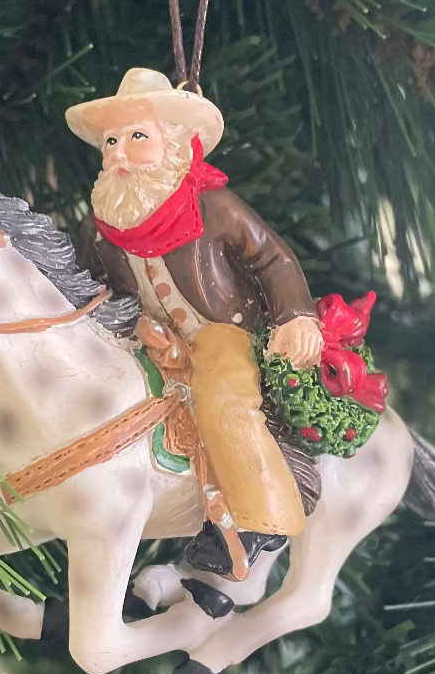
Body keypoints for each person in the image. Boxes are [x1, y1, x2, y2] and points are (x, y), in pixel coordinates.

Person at [68, 69, 323, 575]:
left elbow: (271, 256)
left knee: (224, 394)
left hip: (219, 331)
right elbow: (90, 284)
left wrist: (296, 316)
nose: (119, 153)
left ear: (176, 142)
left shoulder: (212, 206)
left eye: (137, 137)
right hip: (145, 337)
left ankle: (257, 519)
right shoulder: (99, 226)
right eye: (111, 141)